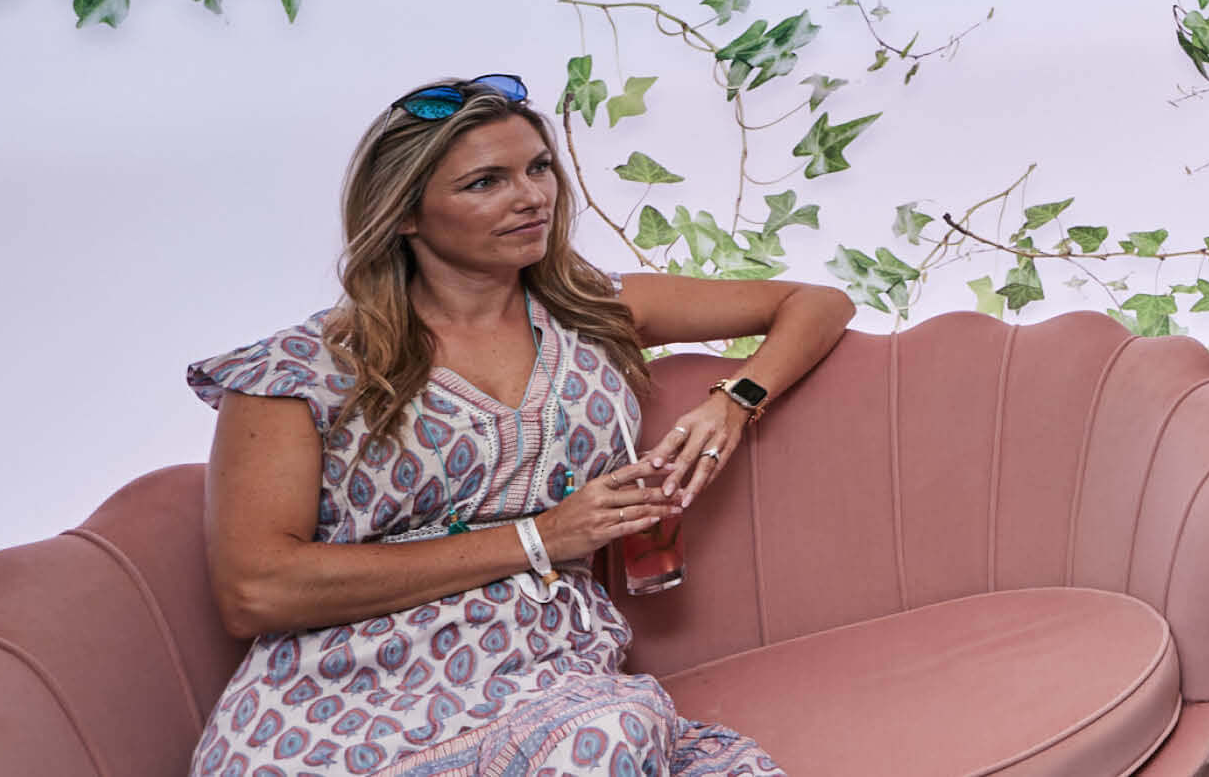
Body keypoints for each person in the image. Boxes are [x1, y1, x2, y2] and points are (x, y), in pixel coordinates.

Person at [193, 74, 855, 777]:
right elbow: (254, 590)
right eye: (485, 181)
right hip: (342, 698)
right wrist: (541, 536)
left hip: (548, 671)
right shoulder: (303, 368)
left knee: (611, 735)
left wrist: (734, 399)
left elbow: (817, 302)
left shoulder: (597, 311)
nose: (531, 195)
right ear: (406, 212)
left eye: (538, 166)